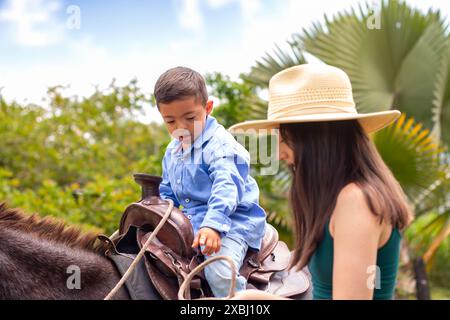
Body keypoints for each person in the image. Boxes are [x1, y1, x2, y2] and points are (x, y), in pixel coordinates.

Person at [228, 64, 413, 300]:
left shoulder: (356, 201)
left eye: (284, 138)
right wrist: (252, 300)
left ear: (314, 138)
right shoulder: (340, 199)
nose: (279, 153)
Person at [154, 66, 267, 298]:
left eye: (190, 118)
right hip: (191, 221)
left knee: (220, 272)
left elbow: (227, 188)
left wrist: (213, 225)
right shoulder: (173, 149)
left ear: (207, 108)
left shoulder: (221, 146)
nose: (180, 128)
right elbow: (168, 190)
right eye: (171, 121)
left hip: (232, 221)